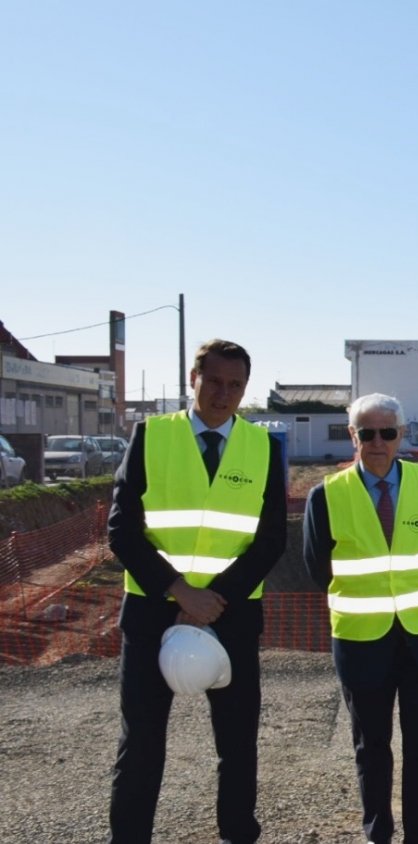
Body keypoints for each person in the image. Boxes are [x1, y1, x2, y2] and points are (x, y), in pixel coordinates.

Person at [107, 338, 287, 844]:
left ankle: (237, 833)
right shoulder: (150, 437)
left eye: (235, 385)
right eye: (213, 382)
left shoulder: (263, 449)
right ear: (193, 379)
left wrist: (213, 600)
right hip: (153, 613)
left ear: (245, 388)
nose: (222, 394)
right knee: (141, 742)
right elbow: (121, 531)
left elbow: (271, 540)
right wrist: (181, 592)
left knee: (236, 744)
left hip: (230, 616)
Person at [302, 393, 418, 844]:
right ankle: (378, 832)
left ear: (401, 435)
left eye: (387, 432)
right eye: (366, 433)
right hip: (362, 642)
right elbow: (318, 567)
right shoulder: (326, 496)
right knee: (372, 748)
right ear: (353, 436)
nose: (377, 442)